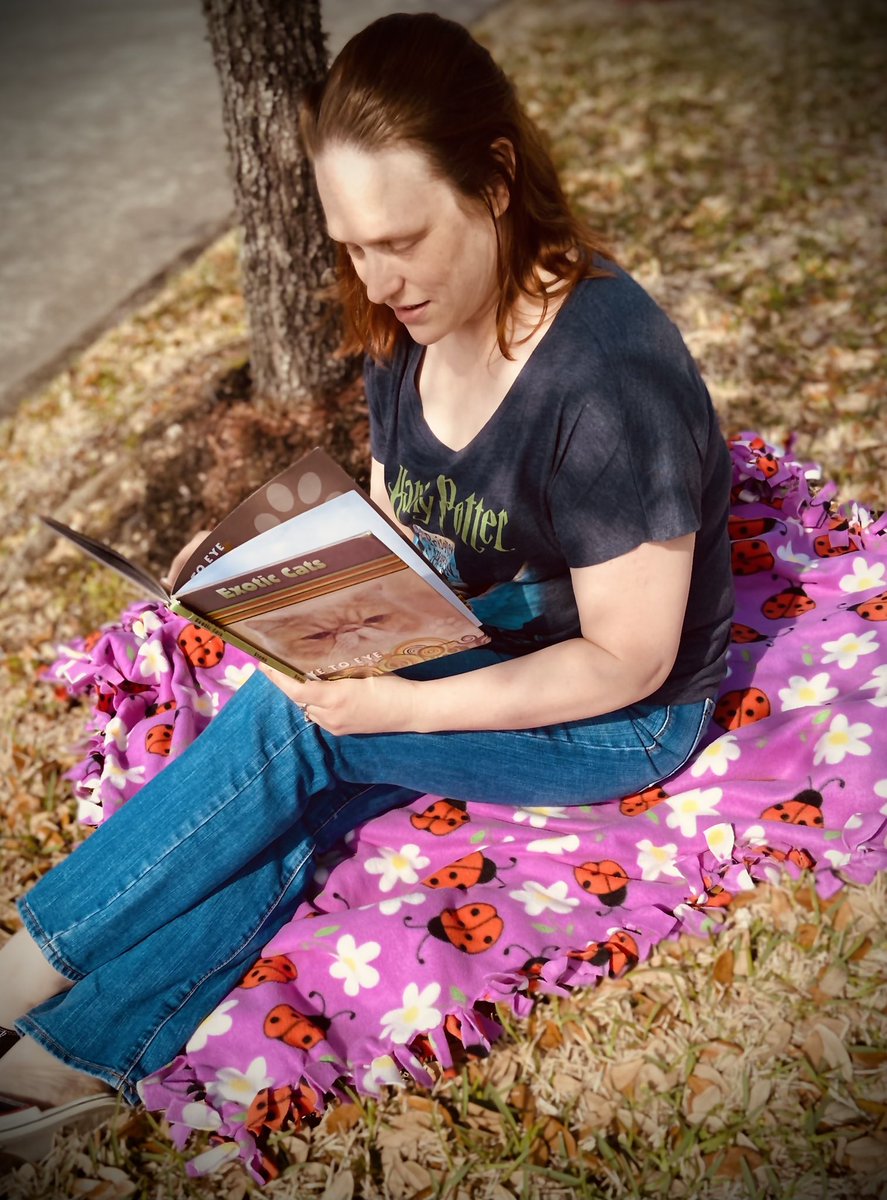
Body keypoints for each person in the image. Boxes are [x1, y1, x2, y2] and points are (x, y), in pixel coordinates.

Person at [0, 11, 734, 1160]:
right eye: (350, 245)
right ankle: (75, 1055)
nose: (376, 277)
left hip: (620, 716)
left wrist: (395, 705)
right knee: (300, 780)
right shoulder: (405, 321)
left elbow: (629, 660)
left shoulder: (606, 378)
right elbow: (399, 525)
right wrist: (265, 581)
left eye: (399, 237)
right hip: (484, 641)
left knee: (301, 739)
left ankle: (15, 978)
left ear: (493, 179)